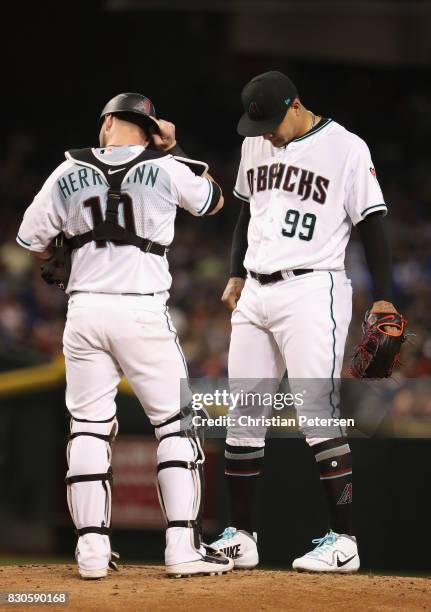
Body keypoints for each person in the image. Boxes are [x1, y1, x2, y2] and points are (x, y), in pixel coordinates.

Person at [16, 92, 233, 579]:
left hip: (85, 310)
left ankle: (91, 554)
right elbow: (214, 200)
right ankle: (181, 548)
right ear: (150, 127)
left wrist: (66, 254)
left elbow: (32, 240)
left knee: (89, 428)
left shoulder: (65, 170)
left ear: (109, 121)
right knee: (175, 426)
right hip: (141, 311)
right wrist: (172, 150)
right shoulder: (166, 165)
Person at [210, 71, 398, 573]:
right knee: (244, 415)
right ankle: (242, 537)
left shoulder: (346, 147)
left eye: (273, 122)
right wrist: (234, 273)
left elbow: (373, 226)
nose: (267, 133)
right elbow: (245, 214)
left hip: (313, 288)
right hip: (255, 288)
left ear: (296, 105)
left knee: (316, 411)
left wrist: (383, 298)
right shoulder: (257, 143)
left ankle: (344, 542)